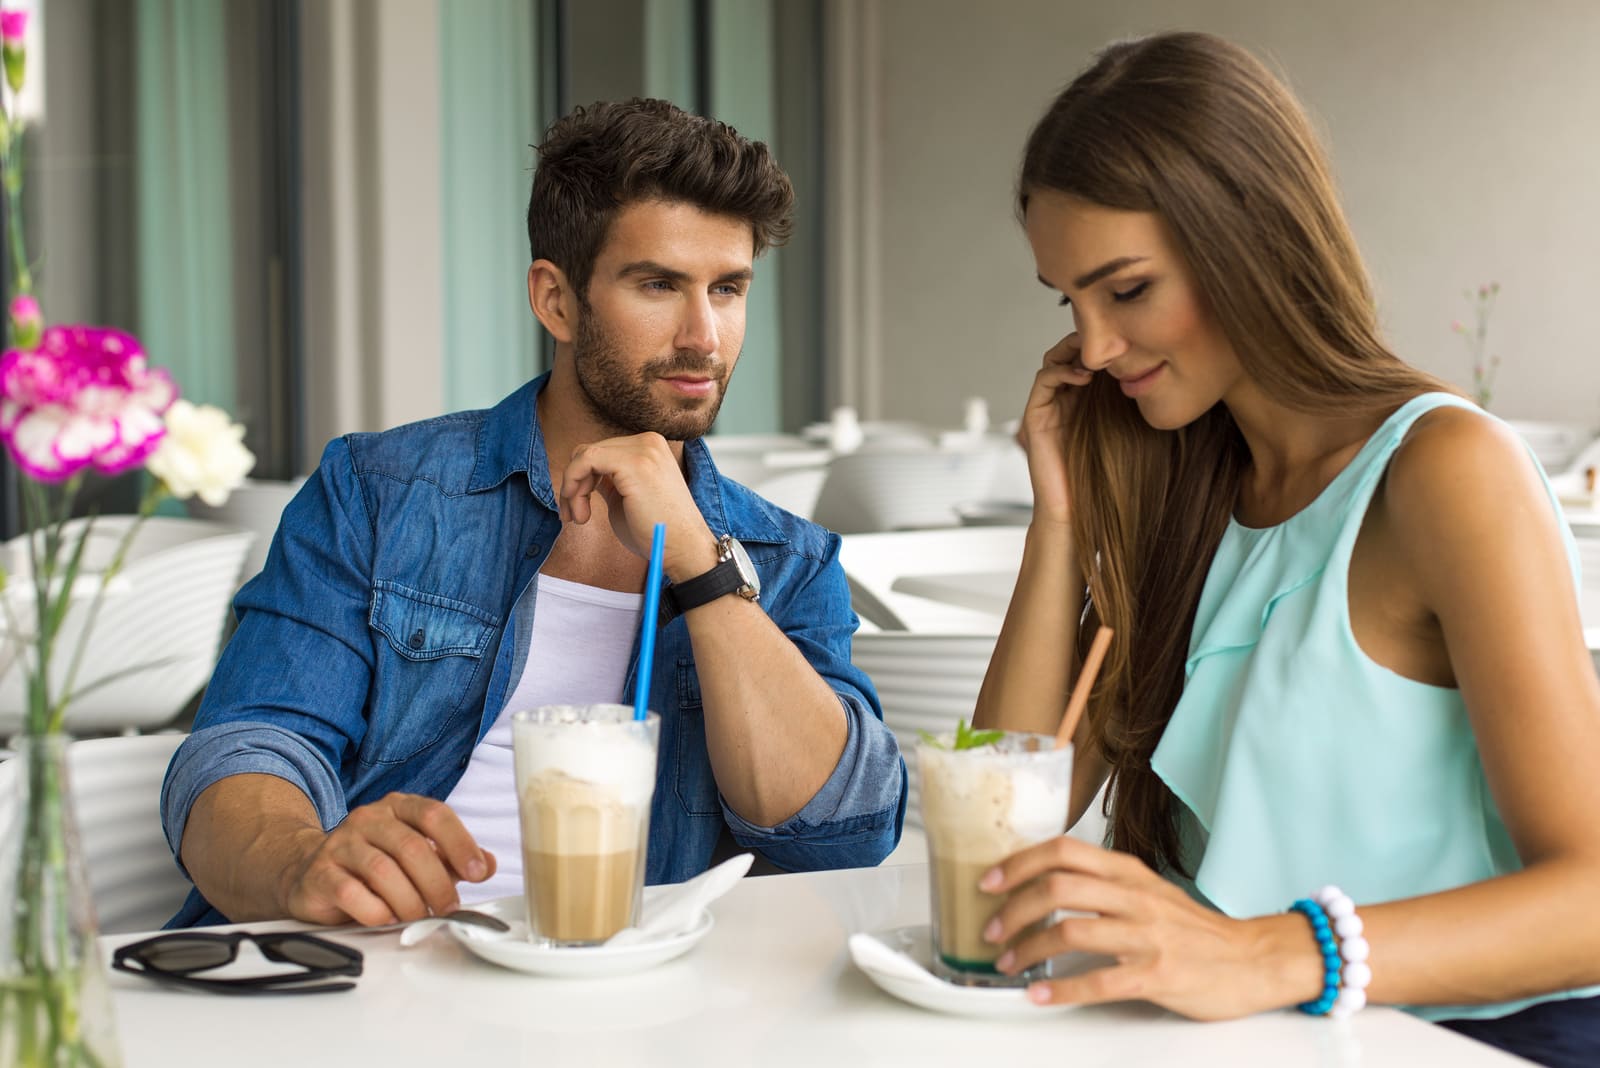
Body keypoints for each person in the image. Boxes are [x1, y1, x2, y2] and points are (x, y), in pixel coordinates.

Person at [970, 31, 1600, 1067]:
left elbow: (1588, 898)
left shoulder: (1442, 471)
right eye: (1067, 301)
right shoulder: (1185, 486)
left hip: (1465, 1043)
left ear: (1244, 240)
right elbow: (998, 827)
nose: (1090, 348)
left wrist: (1267, 955)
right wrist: (1061, 521)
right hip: (1241, 1040)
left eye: (1125, 290)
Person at [161, 98, 905, 928]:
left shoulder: (786, 558)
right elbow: (247, 747)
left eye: (727, 289)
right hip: (369, 972)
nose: (705, 335)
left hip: (623, 1004)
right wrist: (300, 862)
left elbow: (843, 832)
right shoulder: (380, 492)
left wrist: (699, 561)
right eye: (658, 284)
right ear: (555, 300)